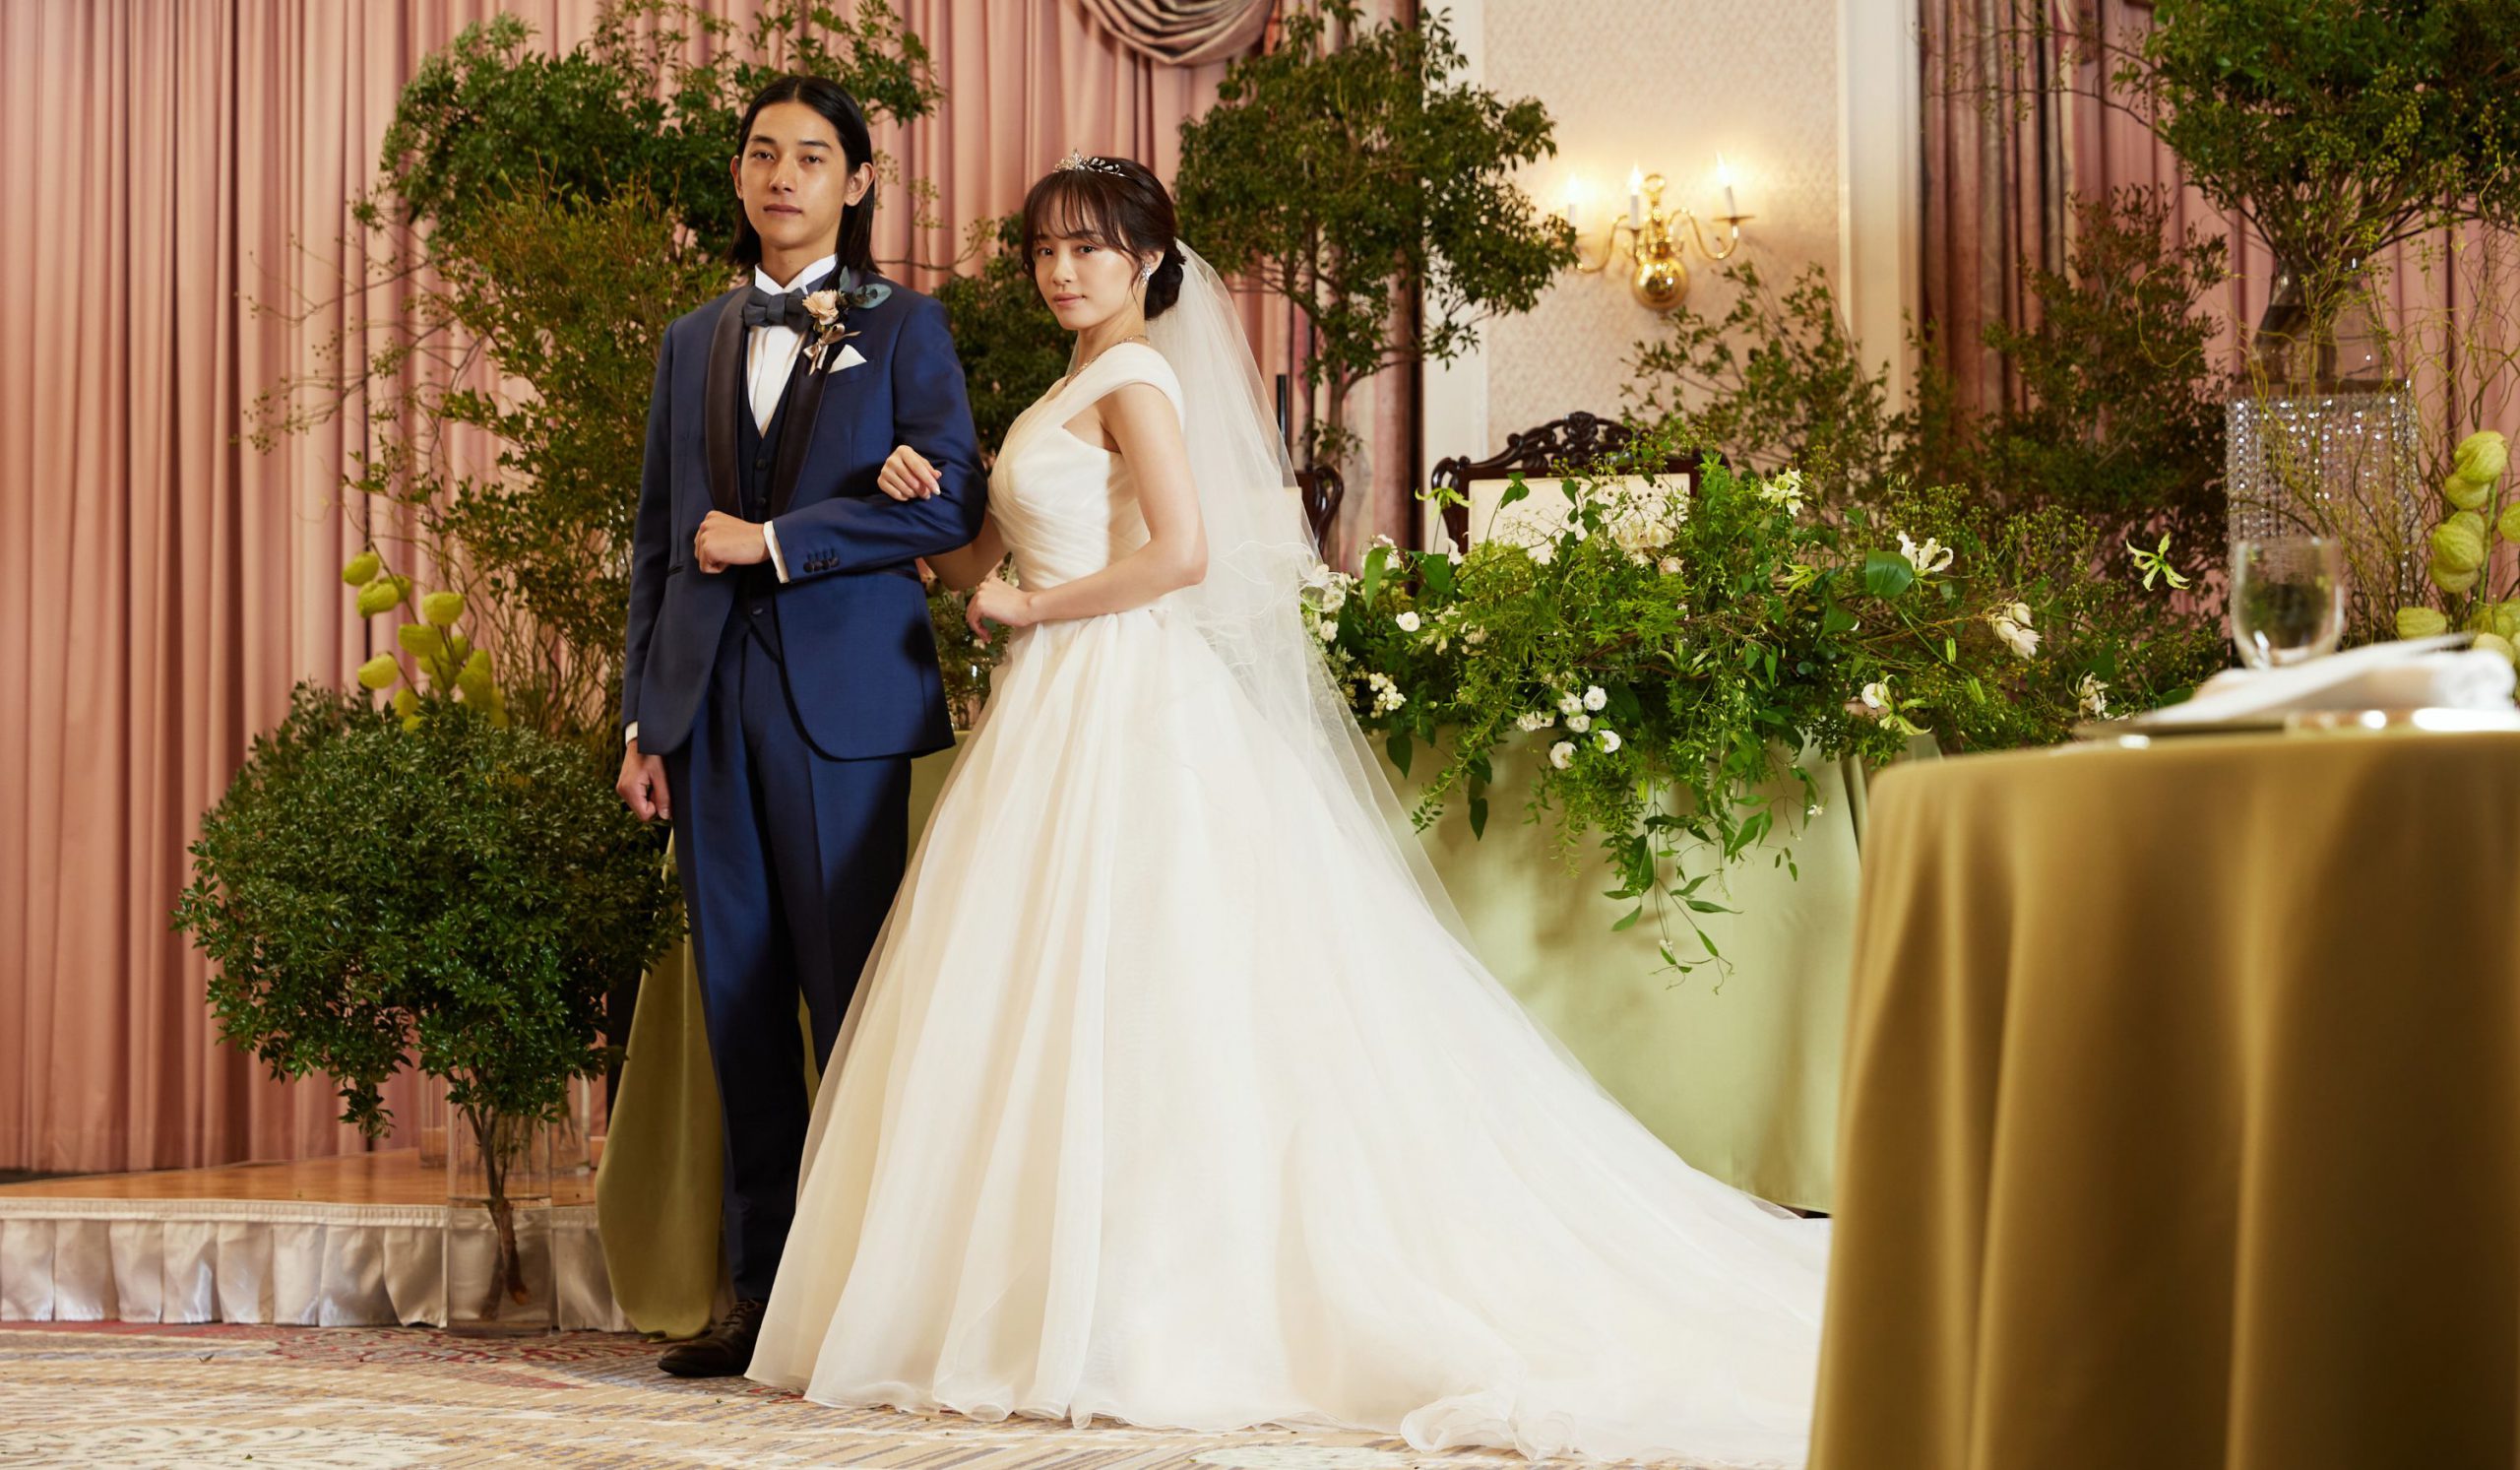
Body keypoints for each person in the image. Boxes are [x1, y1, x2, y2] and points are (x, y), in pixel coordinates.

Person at [744, 153, 1827, 1466]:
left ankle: (1149, 1303)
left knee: (1158, 987)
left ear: (1149, 260)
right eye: (1045, 250)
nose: (1062, 270)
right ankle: (1051, 1294)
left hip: (1124, 693)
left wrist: (1033, 605)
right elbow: (997, 561)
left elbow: (1181, 553)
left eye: (1089, 247)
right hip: (1059, 700)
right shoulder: (1072, 382)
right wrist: (936, 518)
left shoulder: (1137, 379)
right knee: (1057, 989)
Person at [614, 75, 984, 1377]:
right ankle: (761, 1299)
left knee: (855, 1001)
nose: (784, 175)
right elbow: (659, 543)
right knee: (740, 1002)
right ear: (738, 175)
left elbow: (949, 505)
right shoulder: (691, 339)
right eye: (764, 153)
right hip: (705, 709)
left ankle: (872, 1301)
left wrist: (781, 540)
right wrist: (642, 721)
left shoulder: (906, 327)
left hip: (846, 711)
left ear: (857, 182)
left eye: (813, 156)